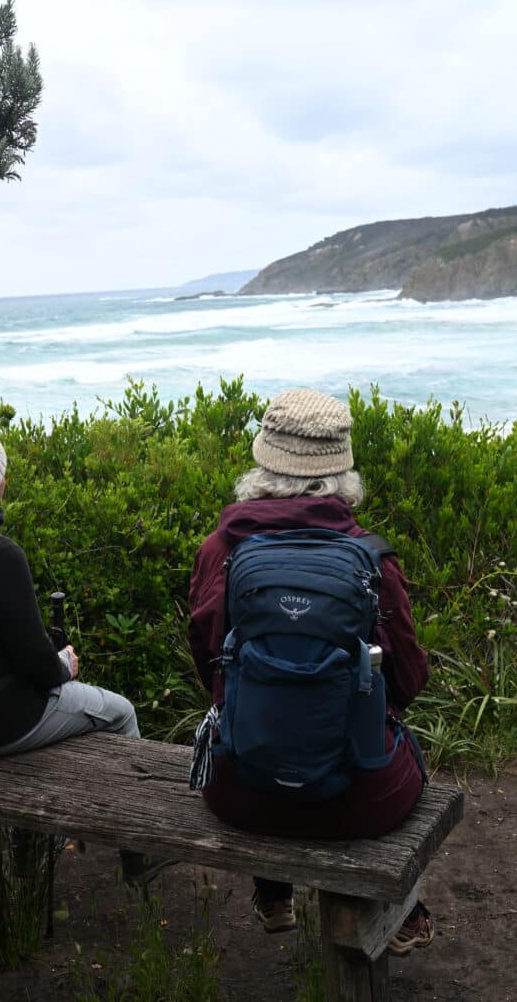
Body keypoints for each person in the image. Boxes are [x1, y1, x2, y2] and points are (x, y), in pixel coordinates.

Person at [188, 388, 434, 953]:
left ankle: (273, 893)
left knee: (263, 721)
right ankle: (404, 913)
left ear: (264, 461)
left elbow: (211, 667)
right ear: (341, 471)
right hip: (357, 800)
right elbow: (407, 682)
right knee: (396, 745)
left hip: (241, 793)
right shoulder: (370, 559)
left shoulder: (218, 550)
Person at [0, 417, 171, 884]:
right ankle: (138, 851)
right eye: (0, 474)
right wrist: (64, 665)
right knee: (121, 712)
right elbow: (39, 667)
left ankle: (39, 848)